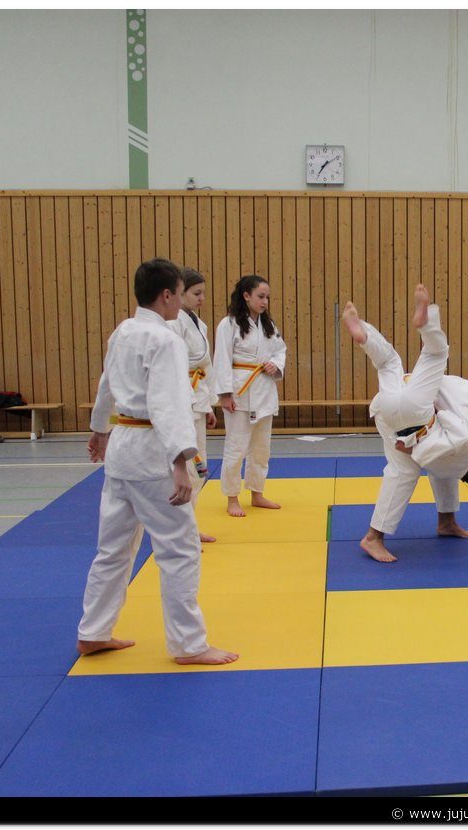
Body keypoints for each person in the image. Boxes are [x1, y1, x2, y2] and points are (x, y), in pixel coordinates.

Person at [78, 258, 238, 666]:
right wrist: (182, 461)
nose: (181, 304)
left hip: (121, 449)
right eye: (180, 295)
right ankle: (189, 644)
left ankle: (93, 631)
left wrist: (99, 430)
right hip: (152, 452)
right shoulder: (166, 340)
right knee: (179, 550)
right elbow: (169, 403)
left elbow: (106, 385)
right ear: (166, 295)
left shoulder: (123, 331)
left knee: (112, 548)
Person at [341, 285, 468, 563]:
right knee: (418, 468)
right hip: (414, 413)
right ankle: (374, 537)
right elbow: (439, 454)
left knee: (393, 360)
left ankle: (367, 334)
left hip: (387, 404)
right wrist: (413, 450)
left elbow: (446, 462)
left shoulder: (466, 388)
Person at [212, 275, 287, 518]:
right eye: (260, 296)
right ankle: (232, 497)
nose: (265, 302)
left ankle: (257, 493)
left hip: (264, 390)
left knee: (261, 448)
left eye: (267, 297)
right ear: (246, 296)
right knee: (236, 447)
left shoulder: (268, 325)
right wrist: (224, 394)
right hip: (240, 392)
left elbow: (280, 350)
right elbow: (221, 359)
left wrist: (276, 365)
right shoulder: (229, 324)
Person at [168, 268, 219, 543]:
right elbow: (174, 368)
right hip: (181, 401)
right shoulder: (173, 324)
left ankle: (190, 526)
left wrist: (209, 404)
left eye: (203, 293)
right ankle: (182, 532)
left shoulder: (199, 324)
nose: (201, 298)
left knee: (199, 469)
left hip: (197, 399)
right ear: (181, 293)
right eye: (196, 293)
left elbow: (206, 367)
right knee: (187, 470)